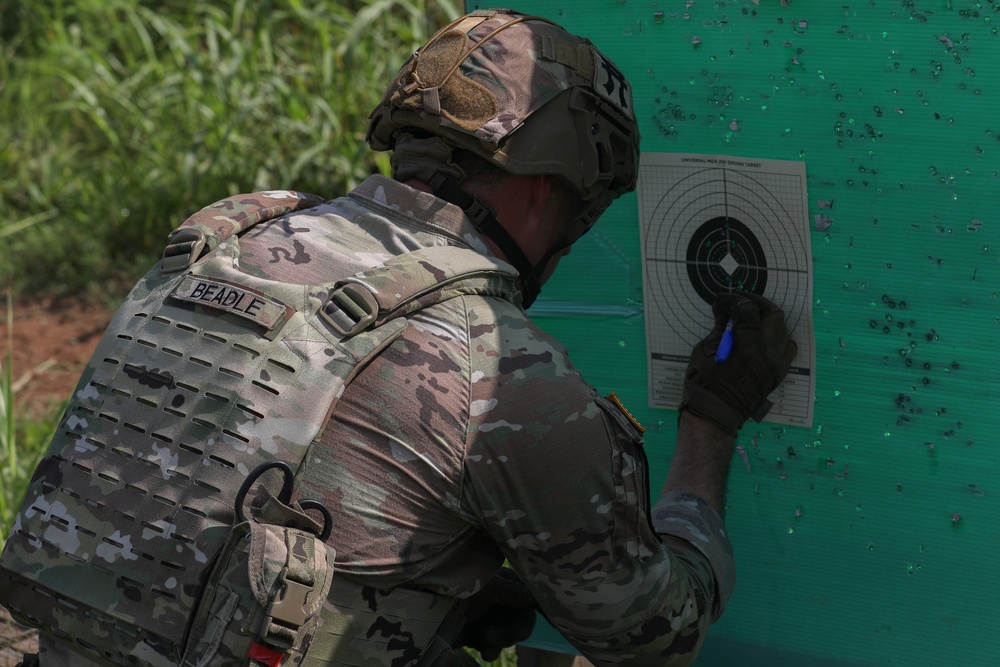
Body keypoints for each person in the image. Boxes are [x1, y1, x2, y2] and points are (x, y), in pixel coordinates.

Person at [4, 8, 795, 667]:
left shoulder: (233, 233)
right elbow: (655, 630)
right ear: (548, 188)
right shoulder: (504, 369)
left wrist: (434, 594)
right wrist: (713, 421)